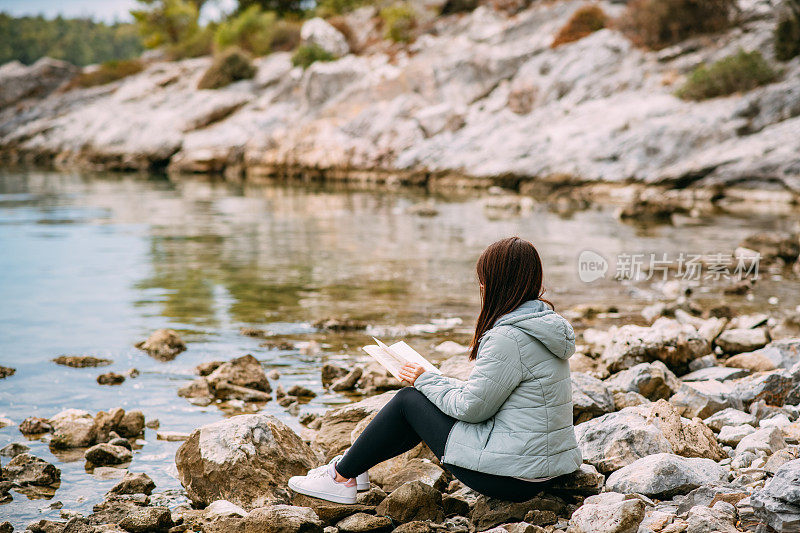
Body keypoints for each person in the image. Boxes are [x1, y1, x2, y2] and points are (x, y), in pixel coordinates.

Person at [288, 236, 582, 503]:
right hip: (547, 468)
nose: (481, 287)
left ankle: (340, 478)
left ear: (495, 284)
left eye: (483, 280)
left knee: (408, 400)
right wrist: (436, 382)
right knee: (424, 394)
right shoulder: (543, 326)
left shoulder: (507, 337)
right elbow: (492, 398)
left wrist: (424, 380)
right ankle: (356, 467)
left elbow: (472, 409)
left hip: (512, 478)